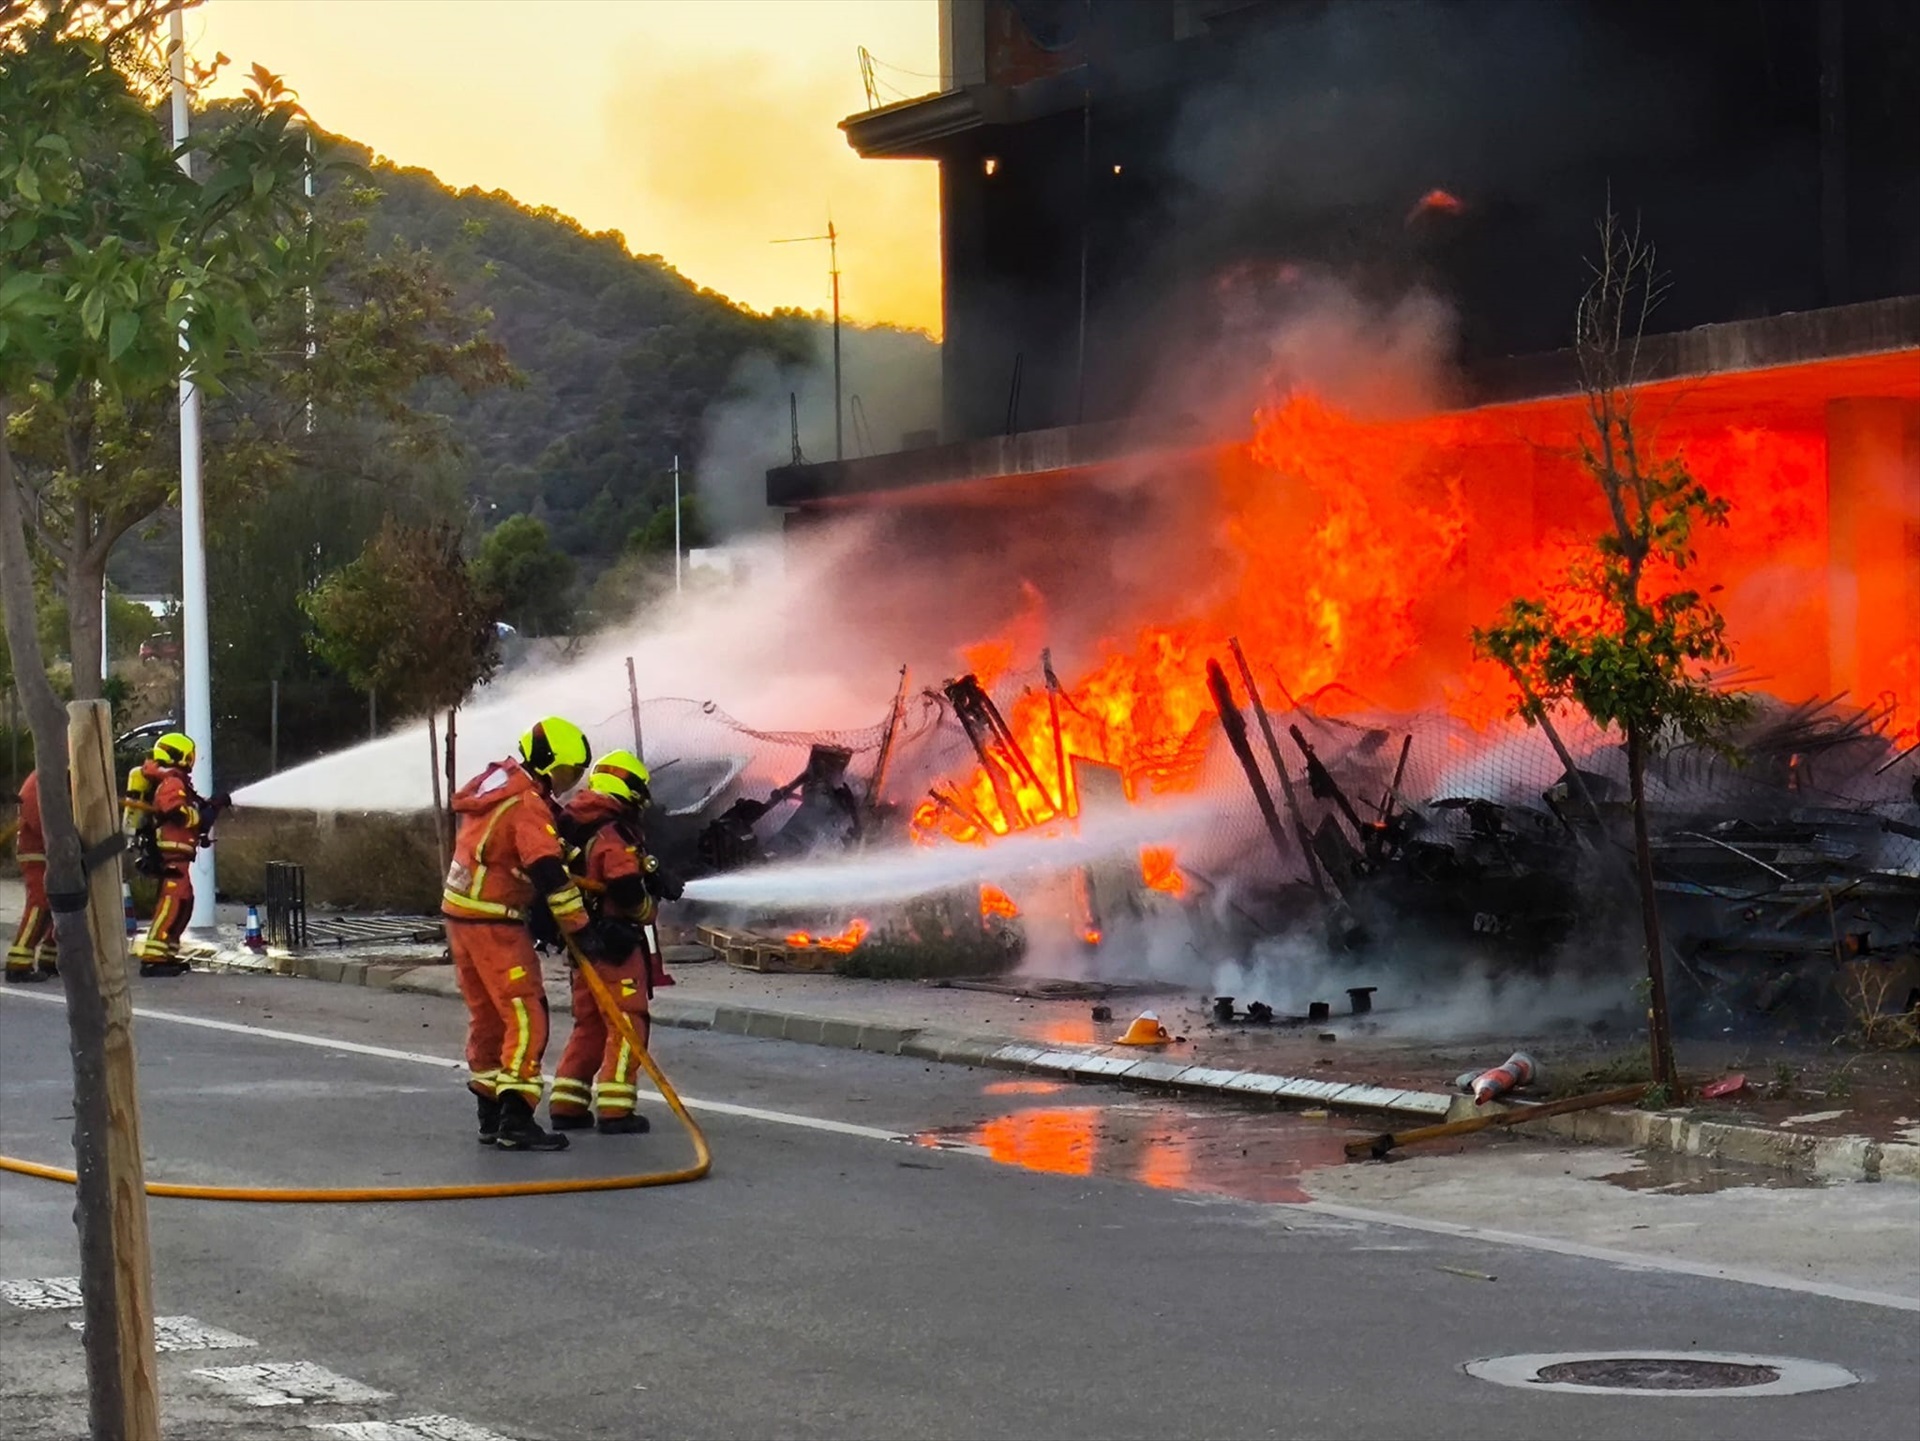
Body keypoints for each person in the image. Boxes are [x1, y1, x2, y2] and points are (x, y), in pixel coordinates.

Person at [443, 716, 600, 1152]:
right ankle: (517, 1117)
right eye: (568, 772)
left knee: (488, 1017)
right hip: (495, 919)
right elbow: (547, 872)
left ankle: (490, 1115)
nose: (568, 783)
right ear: (550, 763)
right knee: (527, 1016)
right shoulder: (527, 803)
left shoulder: (498, 786)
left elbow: (510, 848)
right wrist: (581, 930)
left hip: (462, 917)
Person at [549, 750, 665, 1135]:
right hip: (616, 941)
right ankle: (616, 1109)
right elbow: (626, 890)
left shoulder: (576, 823)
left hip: (582, 940)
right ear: (629, 790)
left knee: (590, 1024)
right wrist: (648, 907)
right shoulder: (612, 831)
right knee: (627, 1021)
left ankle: (567, 1102)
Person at [128, 733, 214, 978]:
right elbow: (174, 810)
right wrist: (199, 815)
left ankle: (166, 953)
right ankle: (153, 958)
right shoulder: (172, 781)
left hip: (178, 857)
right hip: (171, 855)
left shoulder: (173, 780)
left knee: (184, 903)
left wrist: (207, 807)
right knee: (172, 902)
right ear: (179, 755)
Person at [5, 770, 55, 983]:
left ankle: (50, 957)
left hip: (49, 850)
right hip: (37, 849)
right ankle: (18, 963)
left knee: (59, 902)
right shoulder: (43, 779)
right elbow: (38, 816)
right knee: (40, 903)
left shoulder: (51, 776)